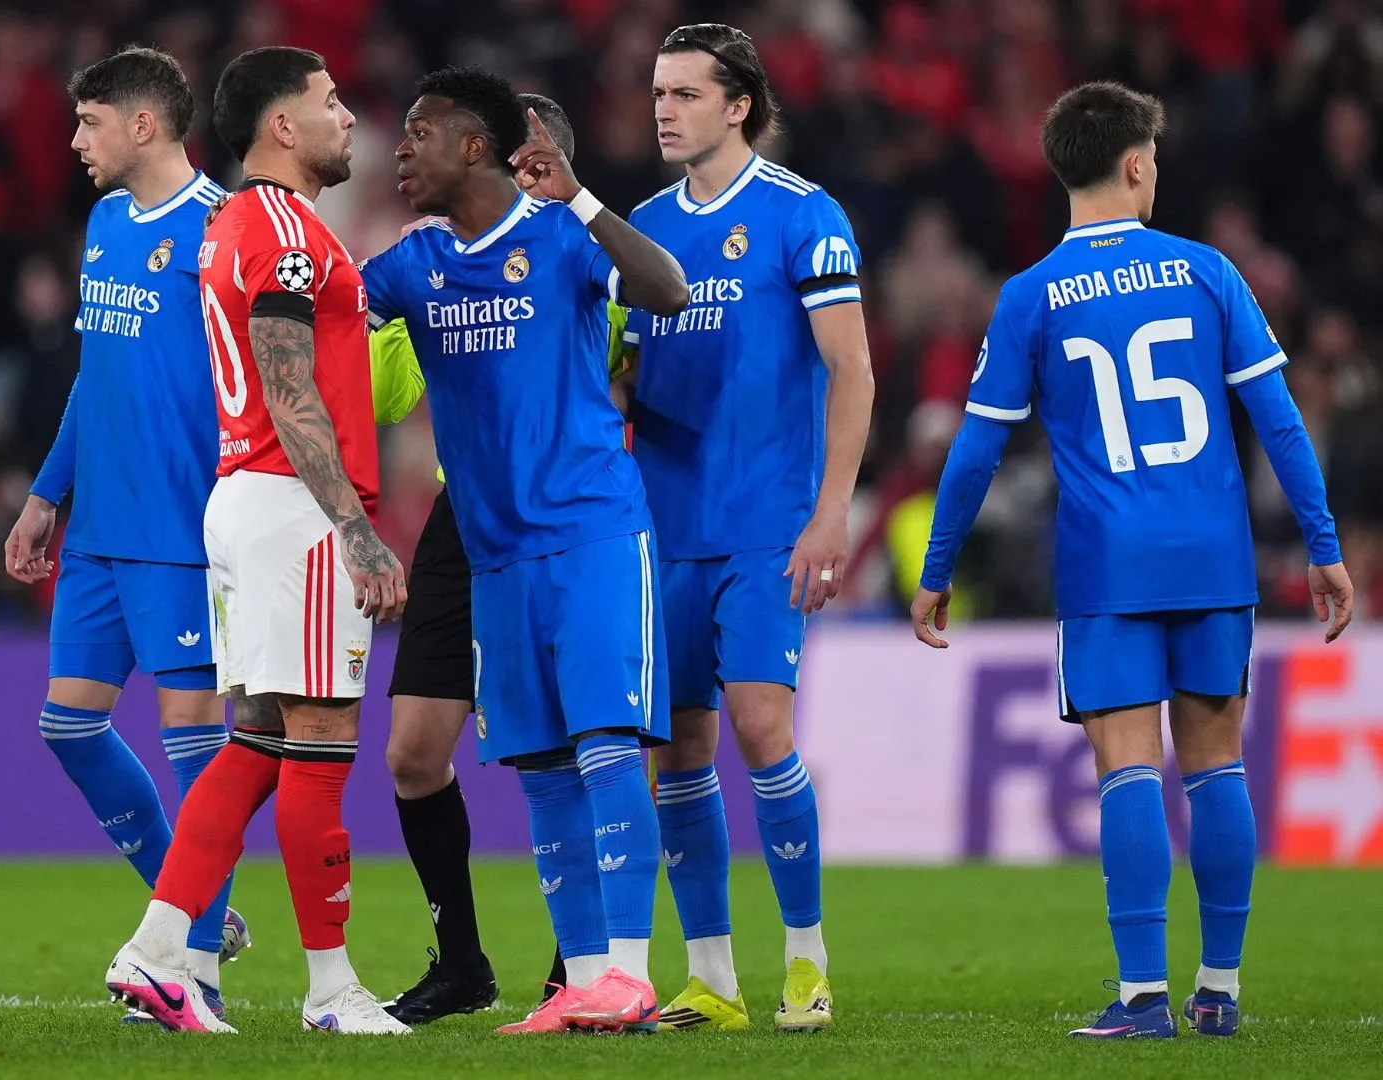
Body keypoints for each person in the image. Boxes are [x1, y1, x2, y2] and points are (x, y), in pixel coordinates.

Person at [912, 81, 1356, 1040]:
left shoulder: (1029, 295)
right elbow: (1276, 419)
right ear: (1138, 164)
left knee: (1127, 771)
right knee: (1216, 765)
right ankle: (1222, 990)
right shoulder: (1207, 272)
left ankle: (1144, 996)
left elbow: (976, 449)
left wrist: (938, 567)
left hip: (1108, 564)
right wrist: (1323, 545)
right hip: (1211, 554)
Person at [358, 65, 689, 1035]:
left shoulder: (560, 238)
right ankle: (582, 981)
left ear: (475, 146)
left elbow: (665, 290)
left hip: (588, 532)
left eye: (420, 132)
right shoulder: (412, 264)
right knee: (542, 765)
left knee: (605, 745)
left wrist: (581, 197)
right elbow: (323, 317)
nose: (401, 150)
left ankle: (628, 971)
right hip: (491, 552)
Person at [106, 46, 409, 1036]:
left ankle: (155, 953)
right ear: (282, 125)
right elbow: (290, 382)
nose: (346, 117)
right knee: (319, 742)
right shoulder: (280, 228)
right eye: (329, 101)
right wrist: (357, 529)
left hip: (251, 499)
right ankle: (332, 991)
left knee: (259, 740)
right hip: (294, 505)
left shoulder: (243, 223)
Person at [623, 23, 874, 1034]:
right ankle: (713, 981)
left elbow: (852, 368)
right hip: (663, 524)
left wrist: (831, 510)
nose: (663, 110)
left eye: (685, 93)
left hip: (767, 520)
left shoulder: (801, 216)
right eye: (656, 93)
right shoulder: (639, 226)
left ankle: (807, 962)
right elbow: (625, 374)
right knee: (677, 752)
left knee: (763, 726)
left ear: (739, 105)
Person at [0, 47, 243, 1023]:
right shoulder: (104, 222)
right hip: (98, 531)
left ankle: (195, 972)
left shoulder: (221, 229)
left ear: (144, 126)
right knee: (68, 725)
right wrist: (46, 496)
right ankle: (189, 911)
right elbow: (96, 376)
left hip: (183, 533)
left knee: (194, 746)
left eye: (89, 122)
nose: (74, 141)